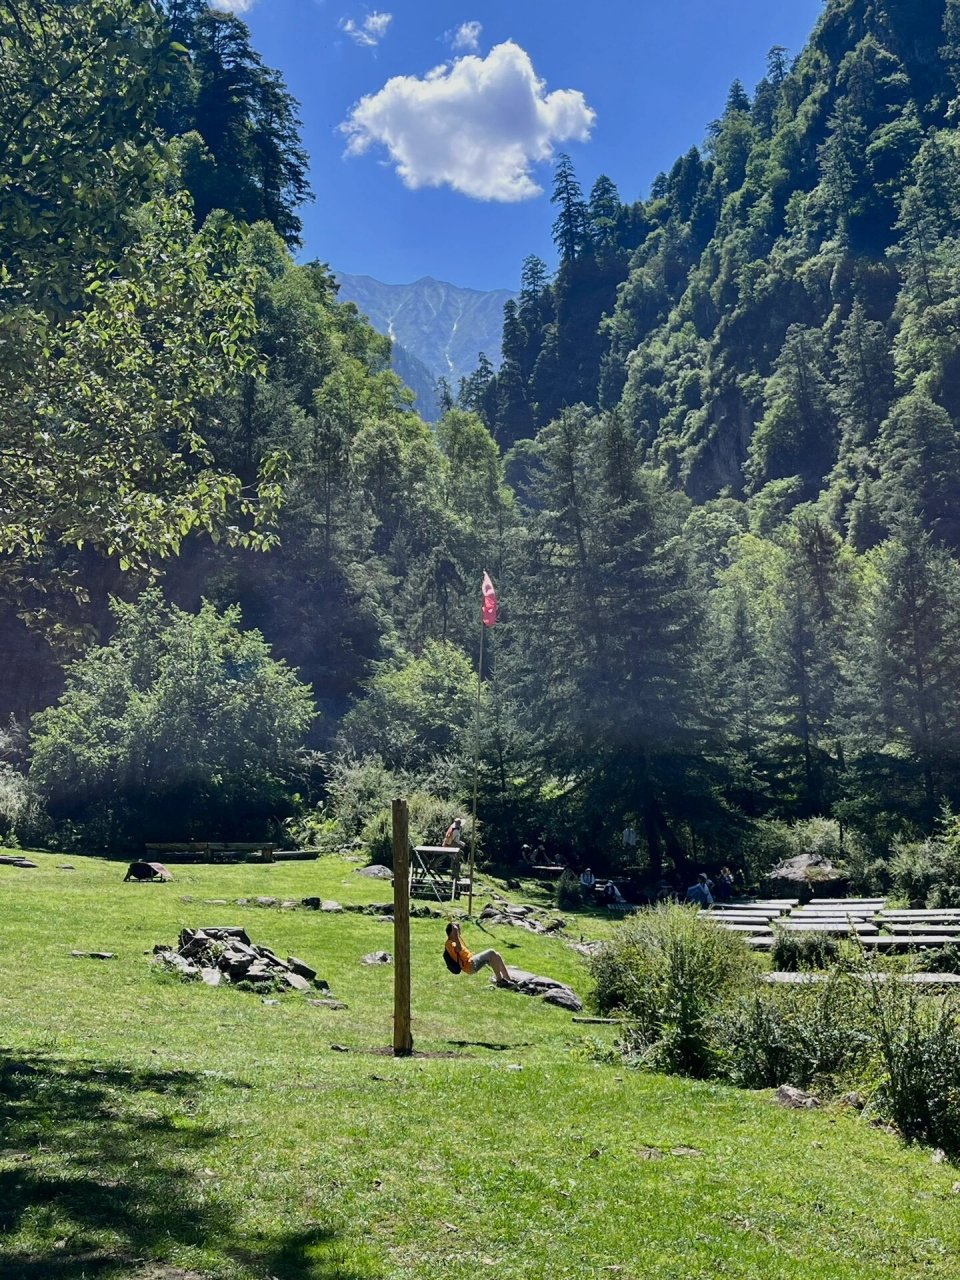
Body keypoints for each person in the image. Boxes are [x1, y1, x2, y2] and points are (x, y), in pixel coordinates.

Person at [445, 922, 514, 985]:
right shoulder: (449, 943)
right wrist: (456, 934)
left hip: (471, 961)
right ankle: (500, 981)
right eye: (457, 930)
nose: (459, 931)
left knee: (497, 955)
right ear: (452, 932)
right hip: (469, 966)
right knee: (491, 952)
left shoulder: (455, 940)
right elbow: (458, 949)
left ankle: (508, 980)